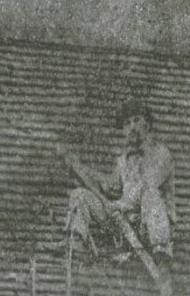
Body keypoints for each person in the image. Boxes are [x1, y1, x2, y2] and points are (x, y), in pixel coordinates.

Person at [66, 99, 175, 261]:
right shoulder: (123, 160)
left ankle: (161, 249)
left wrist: (119, 206)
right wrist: (81, 168)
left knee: (151, 195)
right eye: (127, 123)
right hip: (123, 224)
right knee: (79, 194)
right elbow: (111, 186)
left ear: (148, 124)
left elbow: (148, 187)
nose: (132, 126)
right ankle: (77, 241)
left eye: (137, 120)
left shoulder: (161, 154)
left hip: (149, 226)